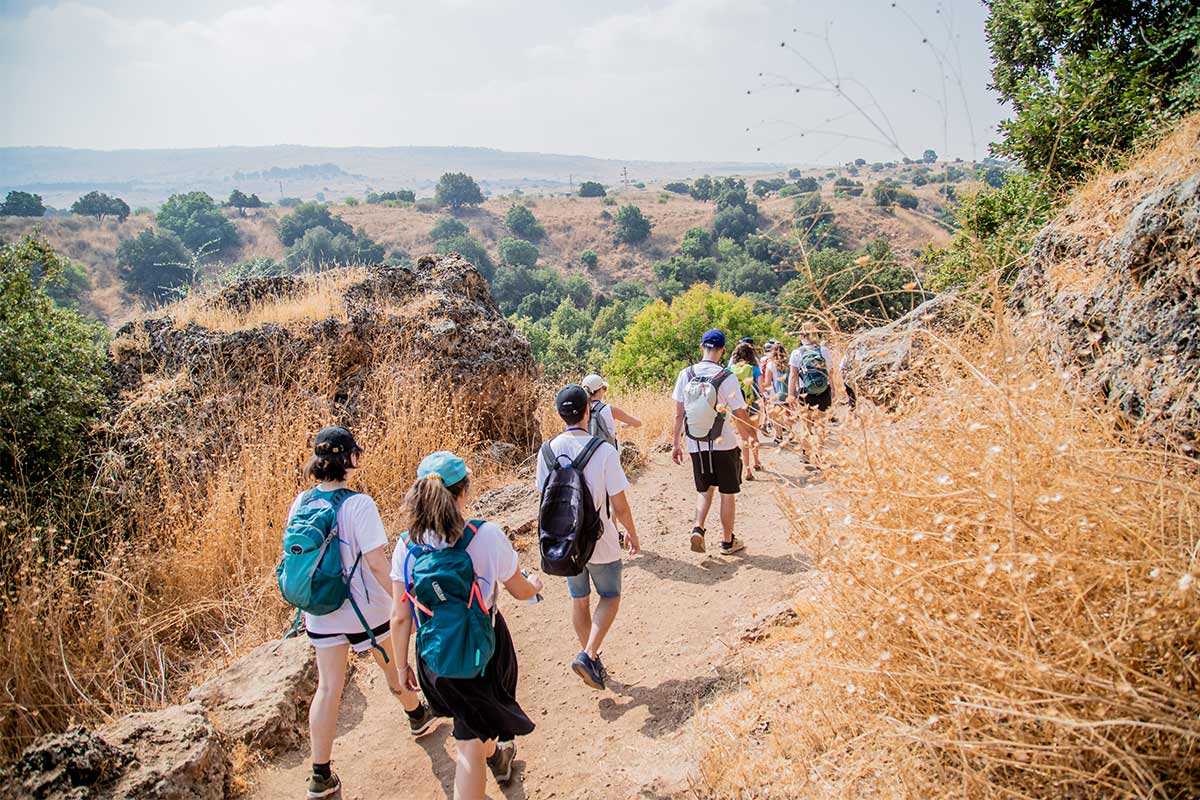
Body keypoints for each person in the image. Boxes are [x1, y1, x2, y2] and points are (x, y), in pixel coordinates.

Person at [290, 426, 433, 800]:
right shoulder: (359, 505)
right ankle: (417, 716)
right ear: (348, 459)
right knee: (392, 667)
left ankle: (320, 774)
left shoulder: (301, 502)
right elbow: (375, 562)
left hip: (320, 613)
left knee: (328, 688)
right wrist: (405, 600)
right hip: (366, 613)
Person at [390, 451, 543, 800]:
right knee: (469, 745)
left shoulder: (405, 547)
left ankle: (499, 758)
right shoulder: (484, 535)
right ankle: (491, 757)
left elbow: (400, 615)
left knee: (472, 721)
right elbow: (519, 590)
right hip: (482, 650)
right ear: (463, 493)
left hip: (433, 655)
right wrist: (535, 584)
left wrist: (401, 669)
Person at [536, 385, 640, 691]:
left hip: (565, 542)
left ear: (559, 415)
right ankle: (589, 654)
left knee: (579, 600)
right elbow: (619, 504)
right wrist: (632, 534)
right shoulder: (603, 450)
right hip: (600, 538)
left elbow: (543, 498)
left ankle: (593, 661)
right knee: (610, 595)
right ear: (587, 411)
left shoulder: (547, 451)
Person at [672, 329, 753, 555]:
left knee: (705, 490)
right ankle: (728, 542)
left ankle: (698, 527)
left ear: (702, 347)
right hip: (723, 443)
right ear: (722, 350)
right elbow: (739, 411)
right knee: (727, 493)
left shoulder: (685, 374)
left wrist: (675, 443)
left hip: (695, 443)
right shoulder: (726, 377)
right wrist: (748, 435)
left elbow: (679, 414)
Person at [788, 328, 836, 463]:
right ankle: (819, 455)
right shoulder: (824, 351)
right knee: (820, 425)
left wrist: (791, 394)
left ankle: (806, 454)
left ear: (802, 336)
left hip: (805, 392)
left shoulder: (797, 353)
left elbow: (793, 375)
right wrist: (833, 388)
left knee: (806, 425)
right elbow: (830, 372)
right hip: (823, 390)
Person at [728, 341, 763, 480]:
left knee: (743, 438)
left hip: (736, 407)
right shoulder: (754, 369)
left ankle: (747, 469)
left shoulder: (729, 370)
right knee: (753, 434)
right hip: (753, 405)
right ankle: (756, 462)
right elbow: (761, 389)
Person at [581, 373, 643, 451]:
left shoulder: (579, 410)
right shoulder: (609, 409)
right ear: (600, 390)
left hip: (586, 455)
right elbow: (638, 423)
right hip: (608, 454)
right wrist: (628, 424)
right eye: (604, 388)